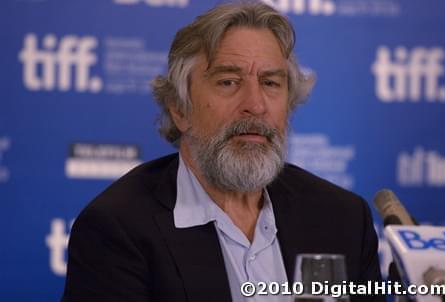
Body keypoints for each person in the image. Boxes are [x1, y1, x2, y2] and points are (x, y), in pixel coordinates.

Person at [62, 2, 384, 302]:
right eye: (229, 82)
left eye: (271, 83)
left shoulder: (342, 219)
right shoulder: (117, 228)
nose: (255, 106)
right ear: (179, 108)